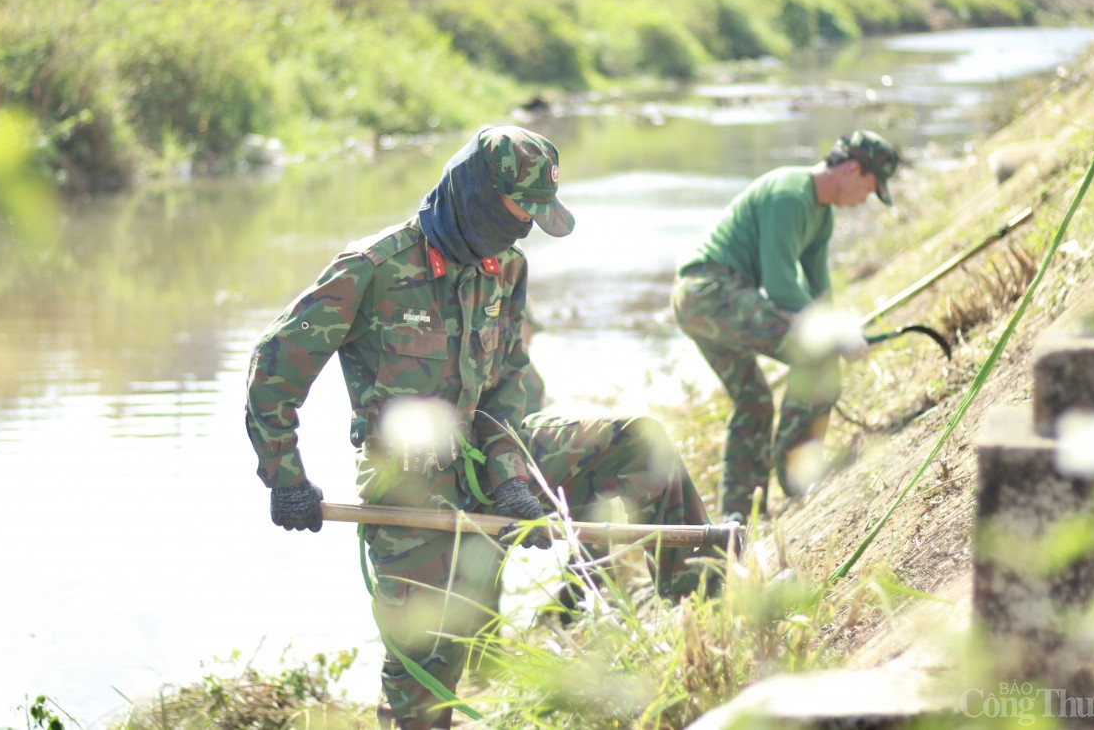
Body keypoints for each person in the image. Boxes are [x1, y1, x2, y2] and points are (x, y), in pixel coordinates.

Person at [244, 125, 719, 729]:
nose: (524, 230)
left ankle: (709, 627)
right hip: (411, 485)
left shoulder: (507, 269)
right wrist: (286, 477)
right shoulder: (373, 268)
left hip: (495, 453)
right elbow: (273, 368)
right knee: (427, 672)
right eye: (520, 212)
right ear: (478, 196)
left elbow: (506, 387)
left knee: (639, 443)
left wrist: (510, 478)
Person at [670, 130, 900, 522]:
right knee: (817, 355)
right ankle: (797, 476)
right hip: (709, 292)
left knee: (754, 401)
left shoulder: (821, 216)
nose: (866, 199)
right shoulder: (790, 194)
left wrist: (839, 326)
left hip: (703, 300)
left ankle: (738, 518)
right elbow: (779, 285)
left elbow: (818, 293)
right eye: (870, 186)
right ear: (851, 170)